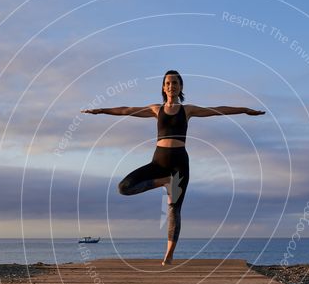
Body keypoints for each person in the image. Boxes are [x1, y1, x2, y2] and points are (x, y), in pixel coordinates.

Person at [81, 70, 266, 265]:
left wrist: (244, 109)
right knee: (124, 187)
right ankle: (166, 182)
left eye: (175, 83)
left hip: (179, 164)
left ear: (181, 87)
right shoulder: (155, 109)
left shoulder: (188, 110)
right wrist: (101, 110)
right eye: (168, 83)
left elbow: (217, 109)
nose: (172, 86)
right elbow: (127, 110)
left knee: (174, 210)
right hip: (158, 163)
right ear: (163, 87)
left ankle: (168, 255)